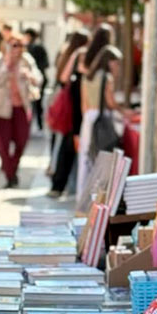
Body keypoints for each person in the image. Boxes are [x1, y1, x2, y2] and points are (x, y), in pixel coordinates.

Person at [50, 26, 110, 198]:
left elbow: (63, 78)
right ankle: (78, 188)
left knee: (70, 146)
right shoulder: (99, 57)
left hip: (77, 103)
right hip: (85, 106)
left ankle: (60, 185)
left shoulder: (81, 54)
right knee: (82, 149)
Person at [0, 32, 42, 188]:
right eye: (12, 45)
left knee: (22, 141)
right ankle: (10, 175)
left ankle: (11, 168)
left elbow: (39, 78)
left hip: (21, 107)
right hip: (0, 108)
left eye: (19, 45)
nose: (16, 48)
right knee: (2, 144)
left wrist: (30, 75)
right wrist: (7, 64)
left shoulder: (26, 60)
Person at [76, 44, 124, 196]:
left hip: (88, 118)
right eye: (116, 63)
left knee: (86, 158)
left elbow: (83, 103)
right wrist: (124, 111)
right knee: (102, 158)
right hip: (101, 118)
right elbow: (110, 102)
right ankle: (98, 195)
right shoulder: (107, 77)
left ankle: (82, 195)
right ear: (109, 61)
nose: (117, 67)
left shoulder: (87, 76)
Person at [23, 28, 50, 131]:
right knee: (36, 104)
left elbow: (45, 64)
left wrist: (34, 72)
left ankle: (36, 124)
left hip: (34, 80)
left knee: (34, 104)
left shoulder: (33, 48)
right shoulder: (33, 47)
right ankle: (38, 124)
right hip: (35, 80)